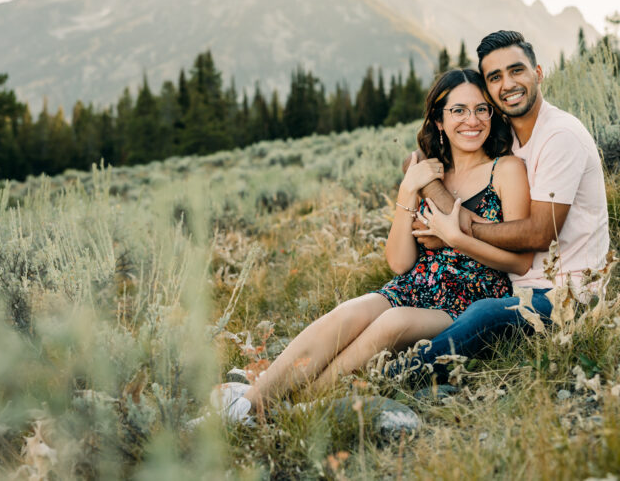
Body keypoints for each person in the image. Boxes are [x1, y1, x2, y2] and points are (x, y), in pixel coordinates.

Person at [213, 68, 533, 423]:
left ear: (492, 114)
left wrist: (454, 238)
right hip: (413, 286)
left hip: (469, 299)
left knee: (390, 322)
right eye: (458, 110)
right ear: (439, 121)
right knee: (348, 314)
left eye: (481, 109)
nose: (471, 120)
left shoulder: (505, 170)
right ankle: (250, 403)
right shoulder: (430, 172)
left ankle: (280, 406)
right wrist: (408, 189)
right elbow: (398, 263)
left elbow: (518, 261)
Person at [399, 30, 609, 377]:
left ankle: (396, 376)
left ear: (538, 74)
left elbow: (541, 234)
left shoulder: (559, 136)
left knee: (485, 315)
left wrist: (458, 227)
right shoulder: (506, 136)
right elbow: (427, 154)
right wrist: (419, 171)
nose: (507, 84)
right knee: (472, 311)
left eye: (517, 71)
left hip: (568, 296)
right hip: (518, 287)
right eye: (495, 77)